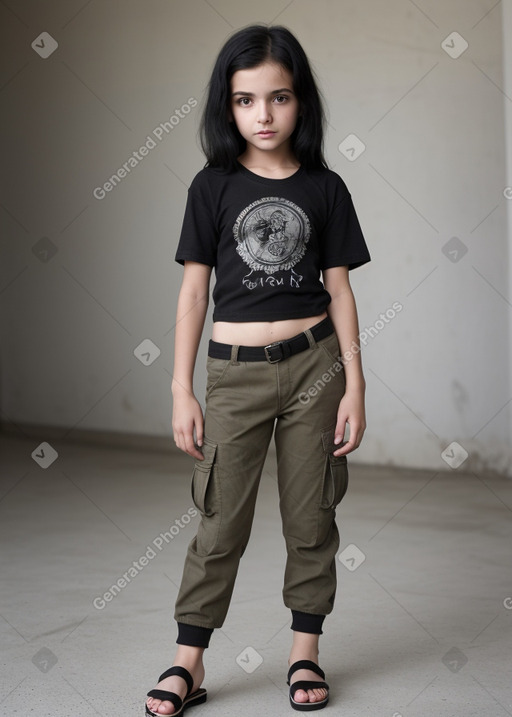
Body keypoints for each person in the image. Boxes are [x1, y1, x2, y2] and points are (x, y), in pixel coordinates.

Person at [145, 23, 371, 716]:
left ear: (301, 102)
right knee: (220, 521)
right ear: (228, 106)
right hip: (234, 373)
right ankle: (189, 662)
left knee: (312, 517)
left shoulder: (326, 188)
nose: (263, 115)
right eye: (246, 100)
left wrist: (355, 383)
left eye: (278, 98)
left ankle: (305, 653)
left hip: (315, 368)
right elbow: (192, 293)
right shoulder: (211, 187)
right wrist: (181, 386)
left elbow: (340, 291)